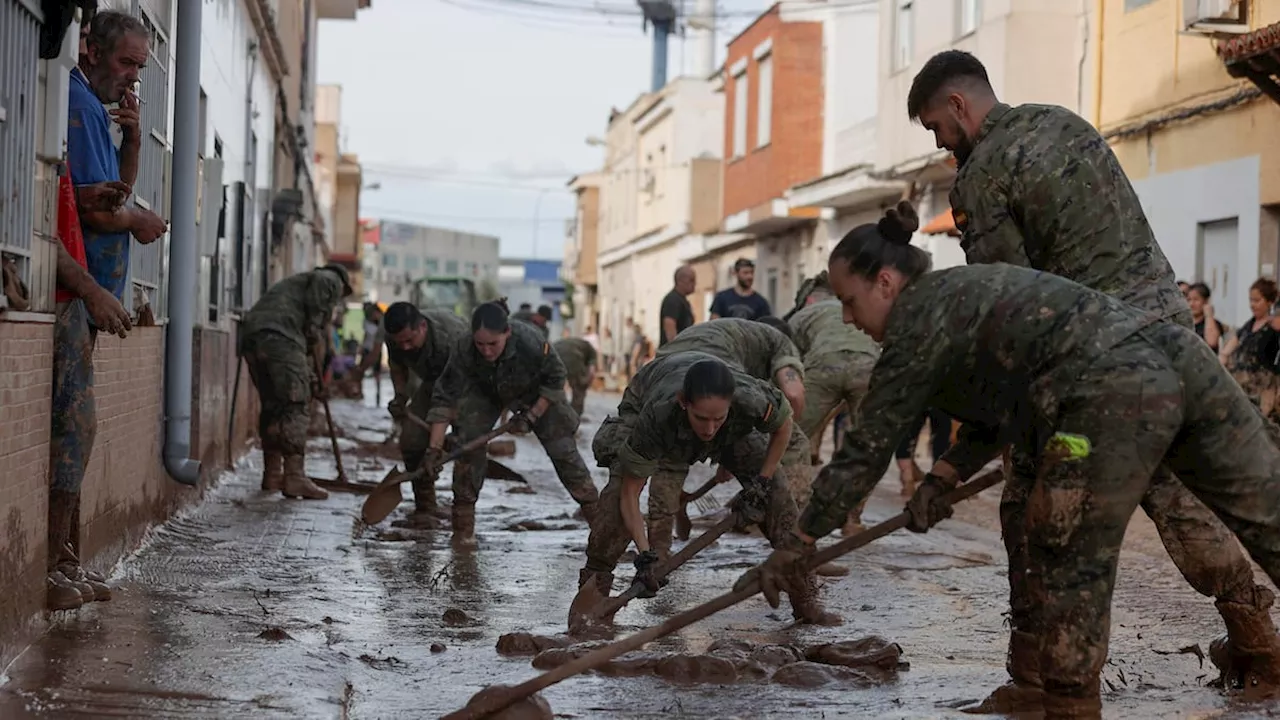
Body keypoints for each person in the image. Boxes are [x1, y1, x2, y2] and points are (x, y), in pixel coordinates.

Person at [740, 204, 1280, 717]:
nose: (849, 319)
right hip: (1179, 359)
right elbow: (1005, 409)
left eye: (850, 302)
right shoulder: (962, 296)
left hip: (1107, 402)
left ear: (885, 282)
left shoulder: (917, 321)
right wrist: (943, 476)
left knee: (1063, 554)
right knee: (1267, 518)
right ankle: (1264, 655)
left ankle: (1067, 708)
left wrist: (797, 544)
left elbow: (864, 451)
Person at [908, 49, 1280, 710]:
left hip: (1093, 370)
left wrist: (962, 454)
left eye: (936, 125)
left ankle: (1037, 681)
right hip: (1168, 339)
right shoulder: (1066, 123)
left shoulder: (982, 176)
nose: (940, 141)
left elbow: (1011, 314)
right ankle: (1256, 638)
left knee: (1031, 508)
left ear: (959, 105)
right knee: (1174, 492)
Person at [576, 353, 831, 628]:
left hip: (733, 427)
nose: (709, 430)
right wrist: (645, 555)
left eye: (717, 419)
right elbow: (629, 494)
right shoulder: (656, 416)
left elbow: (784, 426)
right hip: (650, 394)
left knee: (778, 498)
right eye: (702, 418)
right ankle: (593, 590)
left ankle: (806, 598)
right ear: (684, 403)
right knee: (614, 506)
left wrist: (762, 482)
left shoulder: (751, 399)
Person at [425, 302, 600, 546]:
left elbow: (556, 378)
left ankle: (602, 528)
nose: (486, 351)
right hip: (487, 392)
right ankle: (463, 533)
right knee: (467, 444)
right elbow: (445, 397)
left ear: (506, 333)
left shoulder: (531, 341)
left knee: (564, 453)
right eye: (480, 345)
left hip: (538, 392)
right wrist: (434, 449)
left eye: (492, 344)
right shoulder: (464, 348)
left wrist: (533, 415)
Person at [645, 318, 813, 561]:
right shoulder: (781, 343)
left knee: (670, 464)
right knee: (792, 445)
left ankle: (655, 558)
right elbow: (794, 395)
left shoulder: (732, 335)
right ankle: (798, 555)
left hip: (667, 376)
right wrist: (763, 472)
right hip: (712, 375)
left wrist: (729, 456)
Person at [239, 265, 353, 500]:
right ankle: (294, 477)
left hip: (253, 335)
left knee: (273, 405)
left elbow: (309, 341)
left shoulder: (296, 287)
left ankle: (272, 473)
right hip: (280, 337)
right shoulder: (329, 279)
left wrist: (312, 374)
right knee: (296, 405)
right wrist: (315, 329)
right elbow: (313, 330)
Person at [784, 272, 879, 534]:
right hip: (869, 367)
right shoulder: (856, 307)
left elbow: (788, 365)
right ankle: (852, 519)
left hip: (822, 366)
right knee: (868, 446)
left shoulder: (802, 316)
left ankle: (794, 517)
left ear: (807, 299)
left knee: (792, 438)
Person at [381, 301, 470, 529]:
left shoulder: (450, 340)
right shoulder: (395, 337)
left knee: (466, 447)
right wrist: (400, 396)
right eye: (401, 342)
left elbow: (445, 403)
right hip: (434, 381)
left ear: (422, 327)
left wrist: (434, 448)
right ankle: (426, 506)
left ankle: (464, 513)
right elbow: (397, 366)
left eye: (410, 340)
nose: (406, 347)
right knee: (411, 440)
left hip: (470, 385)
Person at [1220, 278, 1280, 423]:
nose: (1252, 305)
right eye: (1250, 300)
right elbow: (1229, 348)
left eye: (1257, 300)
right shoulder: (1248, 326)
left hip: (1264, 393)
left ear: (1269, 302)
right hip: (1241, 391)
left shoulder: (1274, 327)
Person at [553, 337, 597, 416]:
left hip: (554, 351)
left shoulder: (581, 344)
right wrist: (586, 383)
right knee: (579, 389)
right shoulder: (592, 352)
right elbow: (592, 372)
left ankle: (555, 412)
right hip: (573, 356)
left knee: (553, 386)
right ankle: (574, 416)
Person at [660, 265, 697, 346]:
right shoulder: (673, 300)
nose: (694, 284)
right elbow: (669, 328)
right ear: (680, 281)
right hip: (672, 354)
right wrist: (676, 349)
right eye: (691, 280)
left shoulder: (682, 300)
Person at [1186, 282, 1224, 352]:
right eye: (1189, 300)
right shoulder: (1185, 323)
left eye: (1196, 299)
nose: (1191, 304)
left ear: (1206, 301)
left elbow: (1212, 342)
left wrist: (1209, 315)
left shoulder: (1213, 324)